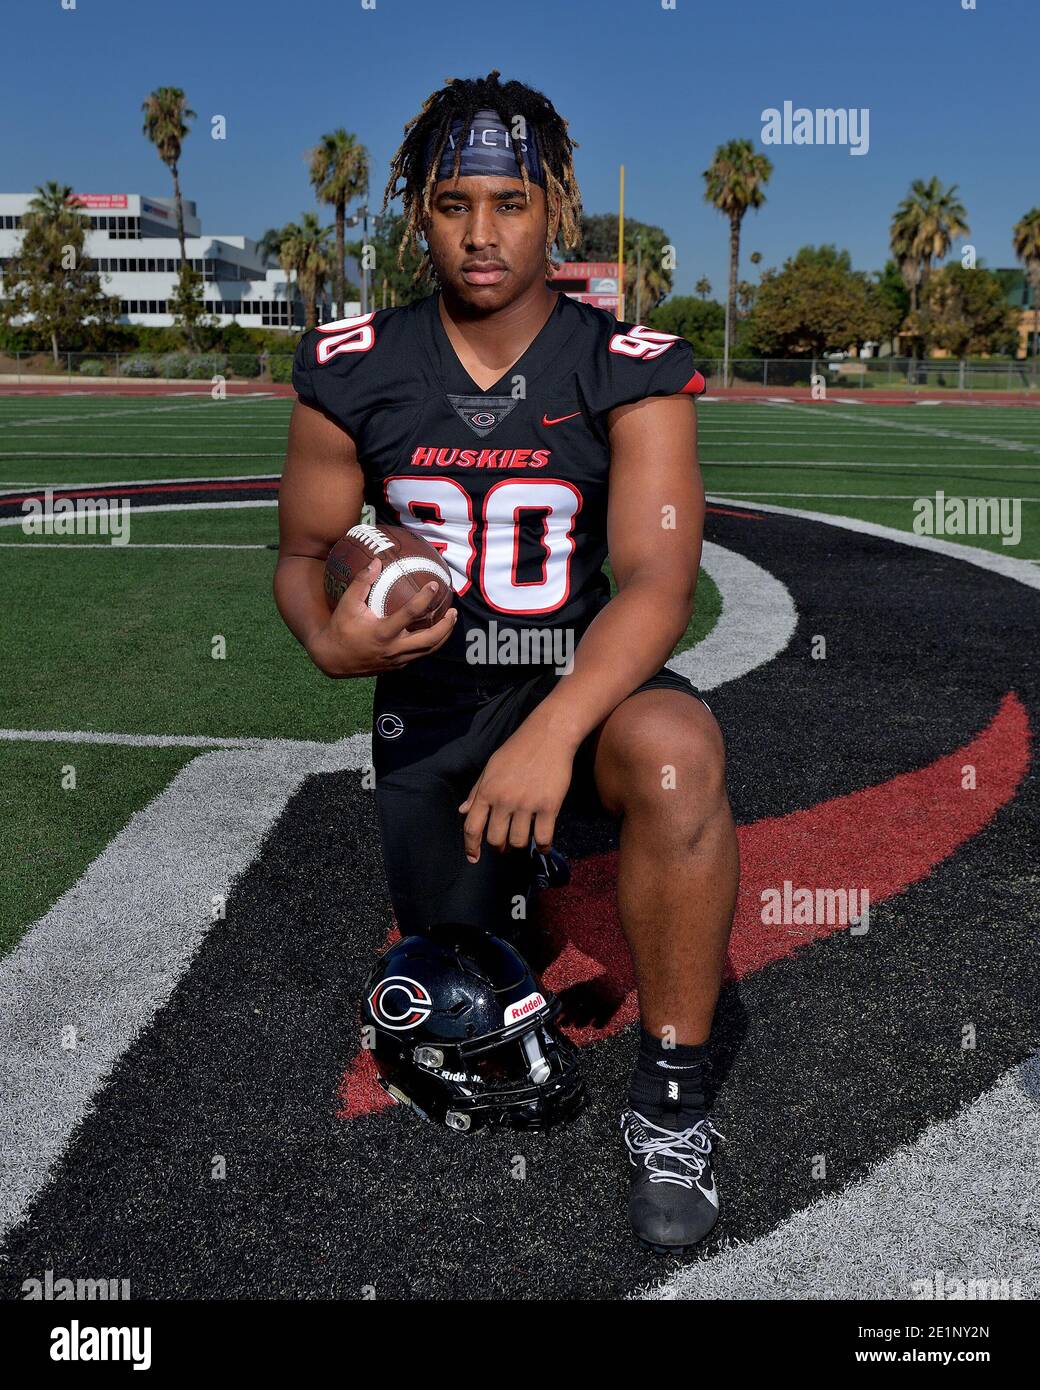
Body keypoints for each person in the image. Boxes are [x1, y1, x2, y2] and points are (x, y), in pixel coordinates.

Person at [274, 70, 739, 1254]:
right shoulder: (354, 360)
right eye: (451, 203)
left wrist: (551, 730)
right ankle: (503, 901)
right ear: (416, 212)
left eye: (510, 202)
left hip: (580, 692)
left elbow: (657, 584)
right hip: (430, 711)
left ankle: (674, 1099)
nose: (481, 235)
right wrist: (331, 636)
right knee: (470, 976)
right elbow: (304, 549)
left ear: (557, 206)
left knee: (679, 752)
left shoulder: (629, 364)